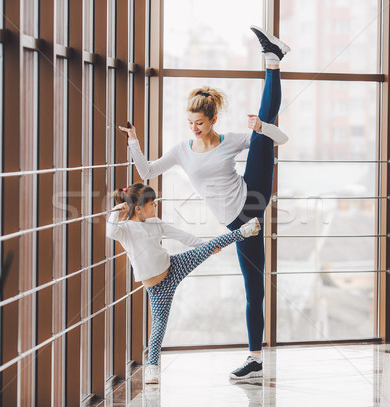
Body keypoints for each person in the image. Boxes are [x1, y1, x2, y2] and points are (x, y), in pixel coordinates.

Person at [118, 26, 290, 380]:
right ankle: (255, 359)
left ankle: (272, 60)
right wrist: (134, 140)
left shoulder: (230, 141)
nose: (194, 128)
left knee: (263, 127)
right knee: (253, 288)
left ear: (213, 119)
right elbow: (148, 169)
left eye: (199, 122)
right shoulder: (183, 150)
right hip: (239, 224)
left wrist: (262, 128)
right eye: (190, 122)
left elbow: (282, 138)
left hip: (252, 196)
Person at [105, 182, 261, 384]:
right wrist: (116, 211)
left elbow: (183, 236)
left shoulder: (156, 223)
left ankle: (245, 231)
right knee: (159, 325)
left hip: (174, 266)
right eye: (153, 203)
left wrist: (204, 247)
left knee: (210, 245)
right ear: (139, 208)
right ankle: (152, 369)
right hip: (158, 288)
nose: (156, 206)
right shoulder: (125, 229)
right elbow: (110, 231)